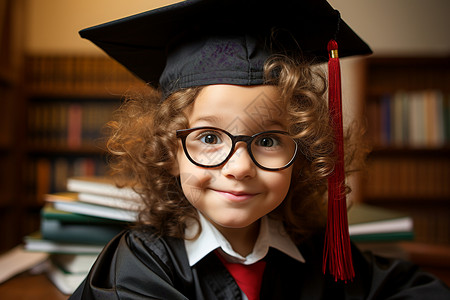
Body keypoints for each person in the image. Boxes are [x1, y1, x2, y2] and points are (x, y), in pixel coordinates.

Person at [70, 0, 450, 299]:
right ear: (170, 152)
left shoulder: (321, 257)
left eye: (267, 141)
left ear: (302, 153)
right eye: (208, 138)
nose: (239, 167)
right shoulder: (138, 265)